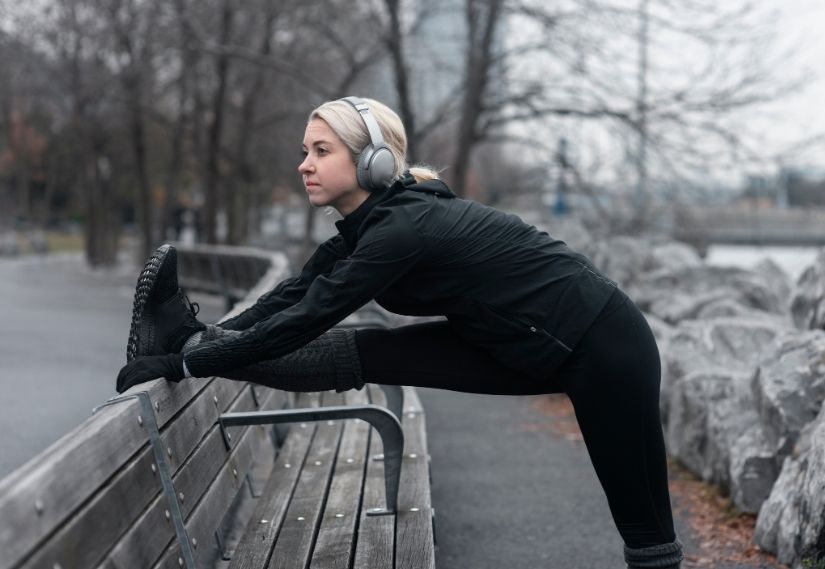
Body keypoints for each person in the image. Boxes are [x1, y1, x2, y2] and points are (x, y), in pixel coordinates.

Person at [117, 96, 683, 568]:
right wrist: (205, 337)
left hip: (604, 345)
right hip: (513, 340)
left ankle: (184, 344)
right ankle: (182, 334)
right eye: (304, 152)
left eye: (321, 151)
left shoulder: (402, 229)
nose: (304, 165)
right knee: (373, 352)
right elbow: (295, 294)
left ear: (372, 163)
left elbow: (308, 318)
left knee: (646, 530)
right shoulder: (371, 225)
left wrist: (187, 365)